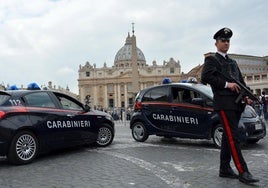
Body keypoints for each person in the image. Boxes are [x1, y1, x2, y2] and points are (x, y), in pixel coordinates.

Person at [201, 27, 259, 184]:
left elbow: (240, 81)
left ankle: (224, 168)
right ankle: (243, 171)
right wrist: (227, 84)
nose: (226, 43)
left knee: (228, 137)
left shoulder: (232, 62)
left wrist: (247, 96)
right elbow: (205, 77)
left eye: (228, 41)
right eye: (223, 41)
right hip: (224, 103)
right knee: (233, 138)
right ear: (216, 43)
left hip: (236, 103)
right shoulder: (212, 60)